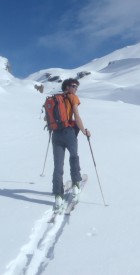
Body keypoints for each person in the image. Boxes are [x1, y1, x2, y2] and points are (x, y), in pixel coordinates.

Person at [51, 78, 91, 208]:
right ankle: (75, 184)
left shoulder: (54, 99)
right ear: (67, 87)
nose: (75, 89)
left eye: (76, 87)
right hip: (69, 132)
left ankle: (58, 195)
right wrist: (84, 132)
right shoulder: (72, 97)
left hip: (56, 134)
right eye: (74, 86)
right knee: (74, 157)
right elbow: (76, 116)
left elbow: (48, 117)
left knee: (58, 165)